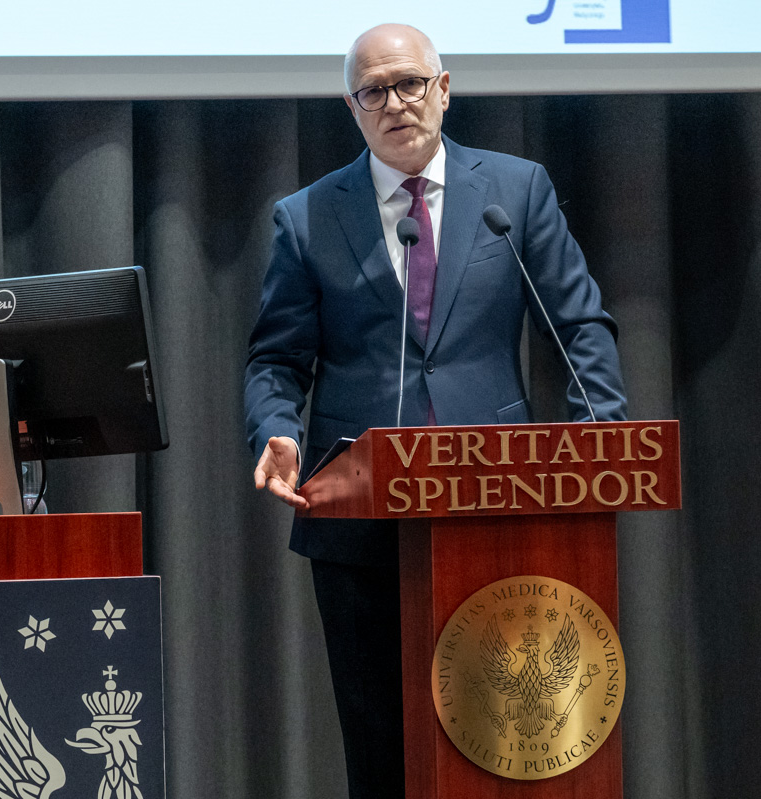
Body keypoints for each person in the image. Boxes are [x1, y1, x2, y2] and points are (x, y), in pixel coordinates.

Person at [243, 23, 627, 797]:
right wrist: (277, 430)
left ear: (443, 90)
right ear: (351, 108)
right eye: (373, 91)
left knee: (513, 742)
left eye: (410, 84)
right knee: (382, 754)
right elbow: (276, 359)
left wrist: (600, 433)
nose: (395, 103)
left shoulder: (515, 191)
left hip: (503, 507)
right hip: (359, 524)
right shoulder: (306, 217)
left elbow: (579, 323)